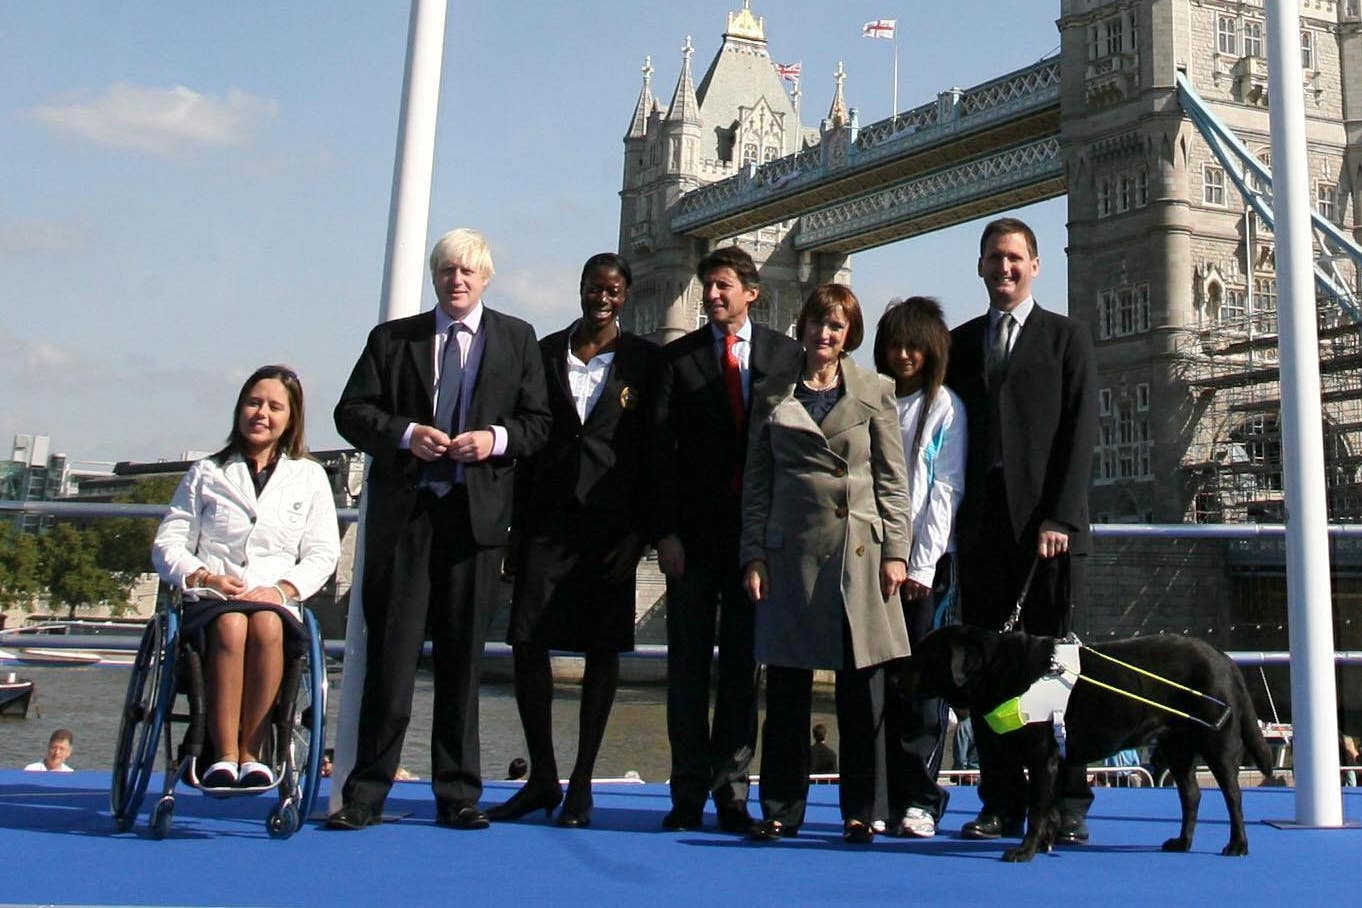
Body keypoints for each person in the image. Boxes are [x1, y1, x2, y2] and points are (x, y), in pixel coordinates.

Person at [329, 228, 551, 831]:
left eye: (468, 272)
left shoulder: (517, 339)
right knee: (391, 660)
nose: (457, 281)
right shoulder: (393, 340)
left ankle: (457, 794)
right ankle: (366, 795)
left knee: (463, 662)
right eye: (448, 271)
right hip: (408, 519)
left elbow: (538, 424)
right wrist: (405, 434)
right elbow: (351, 412)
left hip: (475, 521)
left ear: (486, 278)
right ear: (435, 276)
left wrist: (494, 439)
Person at [489, 252, 659, 829]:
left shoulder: (645, 361)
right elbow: (528, 442)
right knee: (527, 645)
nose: (602, 297)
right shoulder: (543, 353)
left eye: (612, 289)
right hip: (546, 522)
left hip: (610, 530)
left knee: (603, 651)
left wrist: (641, 532)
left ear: (626, 295)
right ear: (581, 289)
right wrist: (514, 528)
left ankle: (582, 781)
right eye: (594, 287)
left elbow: (654, 450)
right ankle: (542, 776)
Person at [741, 283, 912, 844]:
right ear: (803, 326)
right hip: (791, 551)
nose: (824, 333)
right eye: (817, 322)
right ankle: (781, 809)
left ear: (848, 336)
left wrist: (897, 552)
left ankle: (862, 809)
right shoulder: (770, 393)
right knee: (787, 690)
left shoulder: (875, 392)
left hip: (858, 555)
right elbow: (757, 482)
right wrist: (754, 553)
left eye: (836, 326)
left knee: (861, 693)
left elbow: (893, 481)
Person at [945, 217, 1099, 843]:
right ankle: (1000, 798)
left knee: (1059, 672)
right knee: (988, 673)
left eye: (1014, 258)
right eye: (993, 259)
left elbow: (1081, 431)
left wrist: (1061, 514)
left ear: (1035, 265)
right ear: (980, 268)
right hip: (982, 532)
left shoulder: (1068, 339)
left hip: (1048, 533)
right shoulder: (959, 344)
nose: (1003, 269)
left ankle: (1066, 802)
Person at [651, 245, 803, 833]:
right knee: (686, 670)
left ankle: (733, 792)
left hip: (756, 542)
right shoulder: (678, 361)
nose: (712, 297)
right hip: (692, 540)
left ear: (751, 292)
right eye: (707, 287)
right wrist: (664, 533)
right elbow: (659, 456)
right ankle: (686, 792)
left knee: (743, 670)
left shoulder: (783, 356)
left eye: (722, 287)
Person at [151, 365, 340, 789]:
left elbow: (323, 551)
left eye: (275, 407)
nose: (262, 414)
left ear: (291, 418)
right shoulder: (207, 472)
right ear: (239, 409)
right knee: (233, 625)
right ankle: (223, 752)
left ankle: (253, 752)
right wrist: (203, 576)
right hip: (214, 599)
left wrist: (283, 589)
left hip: (274, 597)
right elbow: (169, 542)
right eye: (254, 403)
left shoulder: (308, 477)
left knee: (267, 623)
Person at [873, 297, 967, 839]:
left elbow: (944, 491)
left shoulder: (945, 408)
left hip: (921, 572)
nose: (904, 354)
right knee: (877, 687)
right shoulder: (872, 401)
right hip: (871, 566)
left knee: (923, 688)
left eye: (914, 345)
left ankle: (923, 799)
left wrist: (921, 566)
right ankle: (880, 795)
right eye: (895, 344)